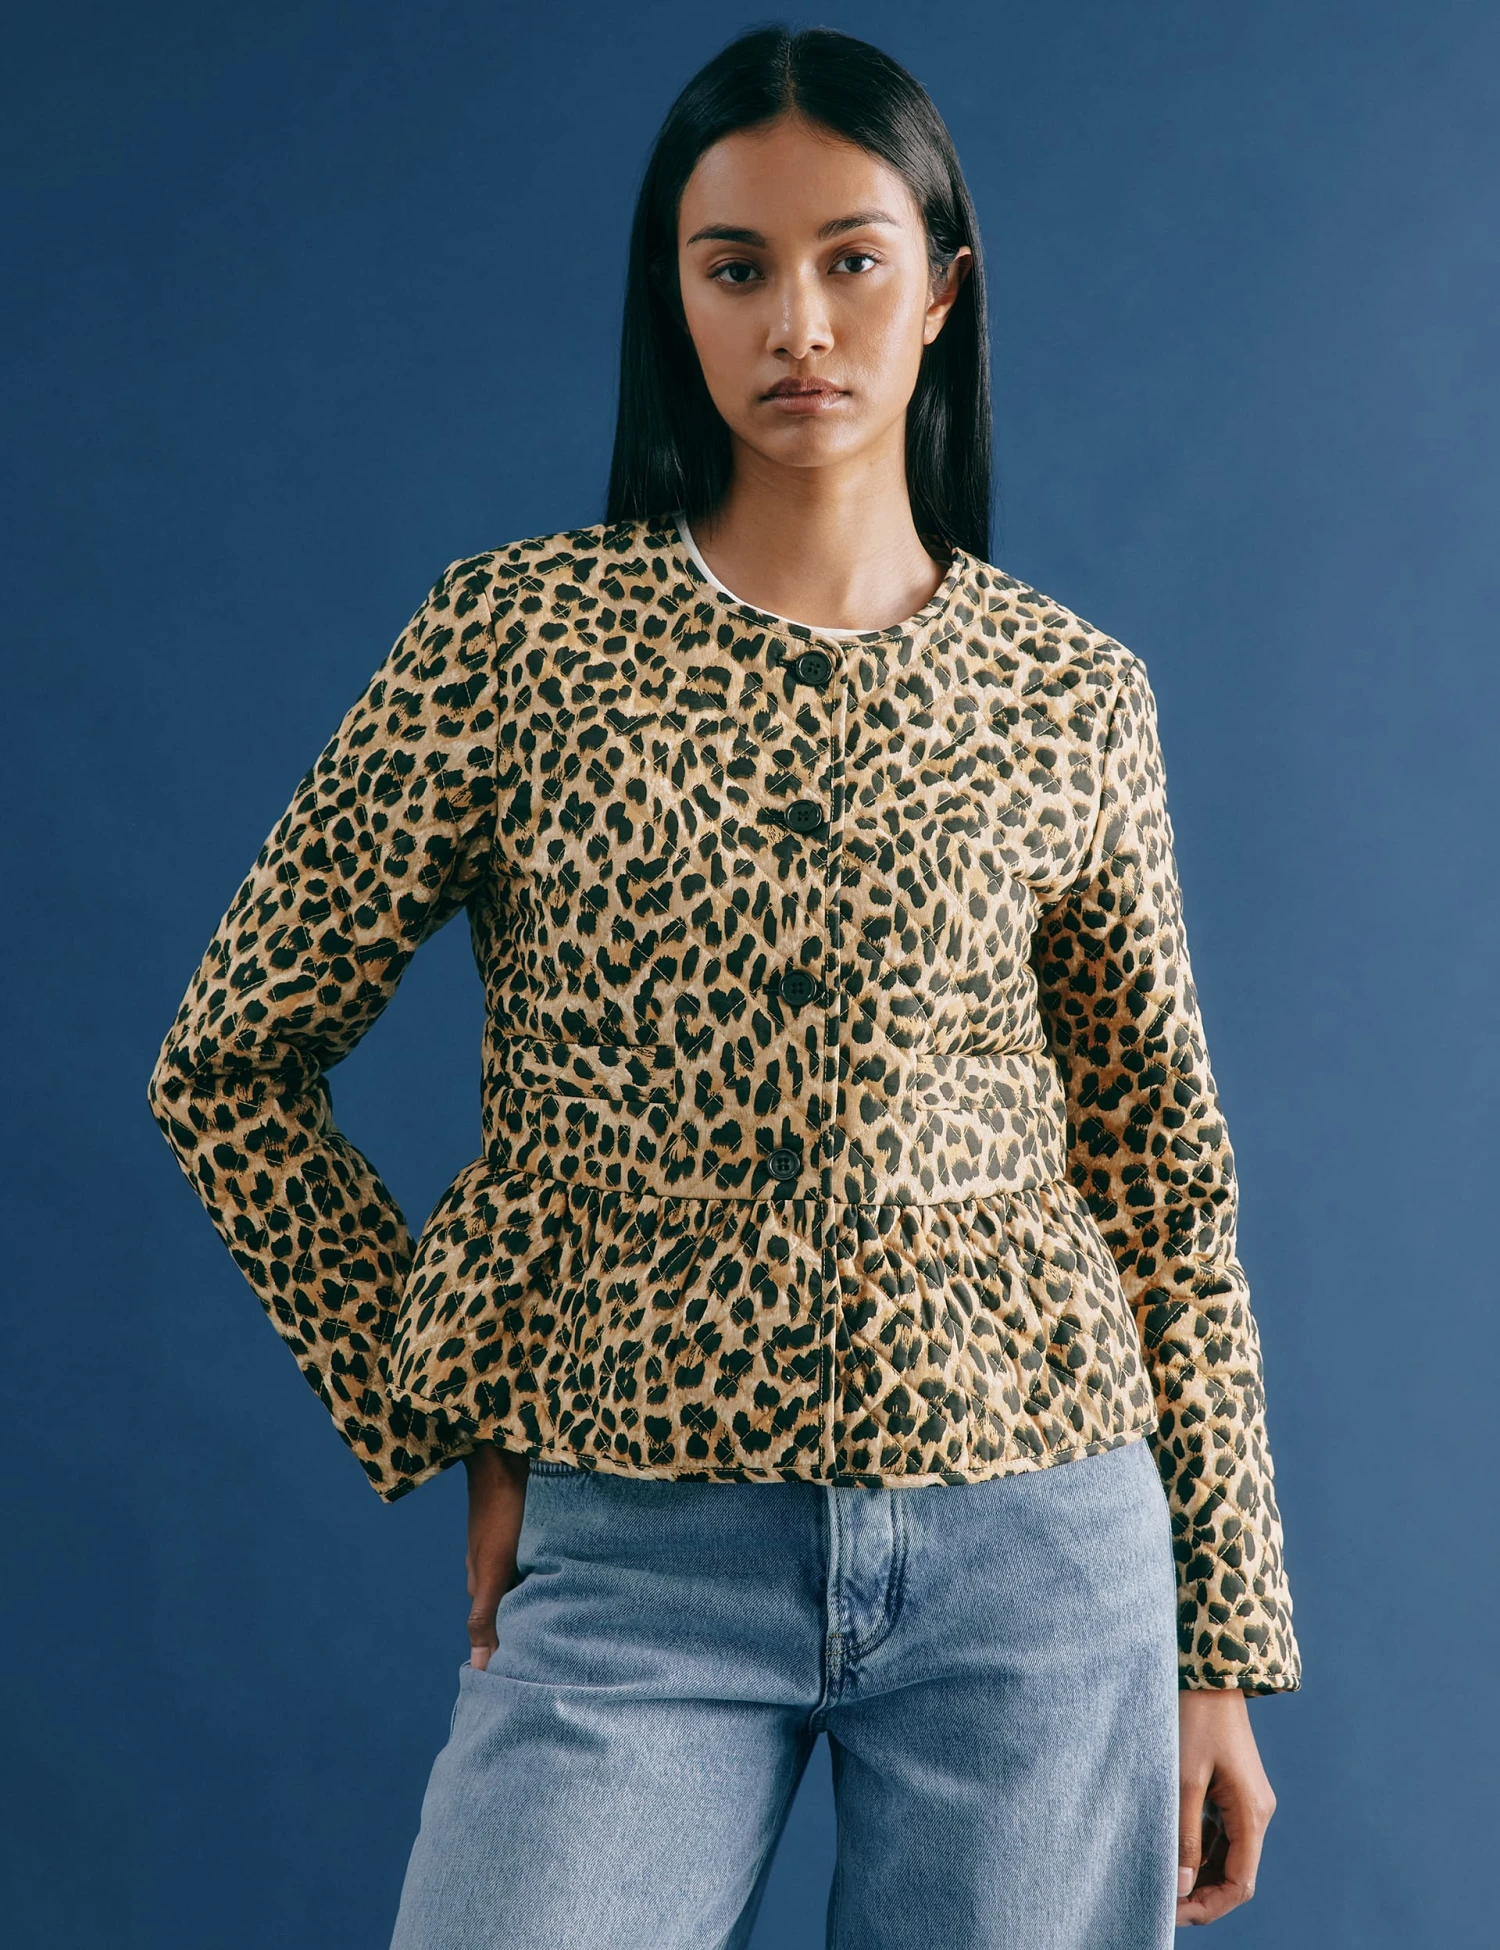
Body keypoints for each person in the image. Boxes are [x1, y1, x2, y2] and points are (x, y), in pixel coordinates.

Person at [147, 24, 1301, 1949]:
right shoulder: (515, 643)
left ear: (943, 289)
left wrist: (1219, 1645)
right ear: (672, 294)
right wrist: (449, 1396)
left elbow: (1163, 1177)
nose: (800, 325)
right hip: (640, 1543)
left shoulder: (1073, 693)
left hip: (1043, 1547)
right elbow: (231, 1061)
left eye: (853, 260)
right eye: (737, 267)